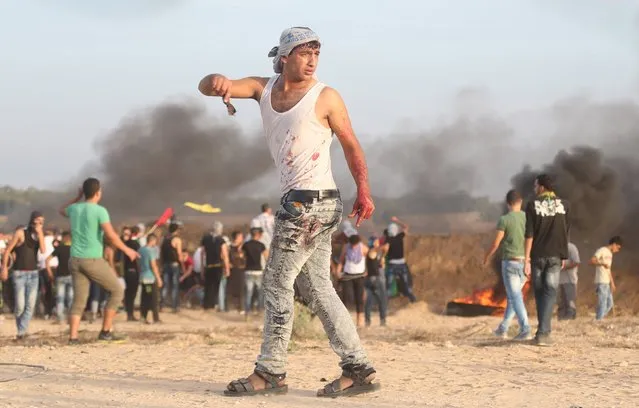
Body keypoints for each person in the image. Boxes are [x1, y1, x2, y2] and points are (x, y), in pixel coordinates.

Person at [199, 26, 378, 397]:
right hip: (304, 201)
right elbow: (213, 86)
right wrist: (214, 80)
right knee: (317, 287)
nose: (312, 60)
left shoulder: (325, 96)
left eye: (316, 53)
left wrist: (364, 189)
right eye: (303, 53)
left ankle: (270, 371)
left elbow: (351, 145)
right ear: (283, 57)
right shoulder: (264, 88)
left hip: (311, 202)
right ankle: (358, 369)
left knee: (278, 282)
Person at [59, 178, 139, 344]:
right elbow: (110, 235)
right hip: (92, 259)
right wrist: (127, 250)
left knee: (79, 299)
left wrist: (77, 197)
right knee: (117, 290)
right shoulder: (99, 211)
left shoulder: (74, 209)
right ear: (98, 193)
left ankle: (73, 337)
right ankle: (105, 331)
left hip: (75, 260)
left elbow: (61, 210)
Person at [524, 174, 570, 346]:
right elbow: (566, 231)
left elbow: (529, 234)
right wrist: (564, 255)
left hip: (537, 256)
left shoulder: (531, 205)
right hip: (556, 256)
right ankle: (544, 333)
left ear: (542, 187)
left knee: (540, 293)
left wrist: (526, 258)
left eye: (536, 186)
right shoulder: (565, 205)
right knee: (550, 293)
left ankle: (542, 333)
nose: (534, 189)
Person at [483, 190, 531, 340]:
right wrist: (529, 260)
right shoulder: (528, 218)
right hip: (524, 262)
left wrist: (486, 257)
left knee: (515, 296)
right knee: (512, 297)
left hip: (510, 263)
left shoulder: (504, 220)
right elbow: (531, 239)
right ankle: (502, 329)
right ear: (521, 202)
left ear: (507, 203)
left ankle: (525, 329)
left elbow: (496, 243)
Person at [1, 211, 46, 340]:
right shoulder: (21, 233)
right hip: (19, 274)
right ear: (32, 220)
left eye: (42, 221)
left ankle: (21, 332)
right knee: (20, 305)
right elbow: (8, 250)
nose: (40, 223)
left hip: (33, 274)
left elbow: (43, 250)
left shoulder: (39, 235)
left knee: (30, 305)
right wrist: (4, 268)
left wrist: (40, 232)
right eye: (38, 220)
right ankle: (21, 330)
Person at [335, 233, 368, 328]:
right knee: (346, 297)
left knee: (359, 298)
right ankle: (344, 320)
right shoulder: (346, 247)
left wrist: (367, 271)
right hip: (347, 276)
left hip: (359, 276)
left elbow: (369, 259)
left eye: (355, 244)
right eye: (352, 244)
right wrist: (338, 271)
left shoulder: (363, 248)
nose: (353, 246)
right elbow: (341, 260)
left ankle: (360, 320)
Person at [383, 216, 417, 302]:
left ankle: (384, 305)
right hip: (402, 264)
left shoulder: (388, 239)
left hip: (392, 265)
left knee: (389, 287)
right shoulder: (399, 236)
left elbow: (385, 249)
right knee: (406, 285)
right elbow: (406, 227)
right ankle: (413, 301)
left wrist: (382, 257)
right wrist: (397, 220)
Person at [589, 236, 622, 321]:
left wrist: (612, 283)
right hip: (601, 280)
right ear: (614, 244)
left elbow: (609, 269)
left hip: (607, 282)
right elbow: (592, 261)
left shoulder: (610, 254)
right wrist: (602, 263)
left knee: (609, 304)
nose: (618, 250)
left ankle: (598, 318)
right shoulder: (602, 250)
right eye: (618, 248)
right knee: (602, 302)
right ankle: (599, 319)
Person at [200, 221, 229, 311]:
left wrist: (202, 267)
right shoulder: (221, 240)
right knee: (217, 286)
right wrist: (227, 268)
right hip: (218, 265)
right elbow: (224, 255)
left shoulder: (206, 238)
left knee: (208, 286)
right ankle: (217, 304)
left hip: (208, 265)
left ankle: (207, 305)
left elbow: (202, 253)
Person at [45, 231, 73, 323]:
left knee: (60, 298)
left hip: (60, 276)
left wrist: (49, 273)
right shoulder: (74, 249)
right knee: (71, 298)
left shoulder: (59, 248)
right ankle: (71, 318)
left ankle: (60, 318)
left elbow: (47, 260)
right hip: (71, 276)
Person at [242, 227, 267, 317]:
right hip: (258, 271)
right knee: (260, 292)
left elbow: (243, 257)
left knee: (248, 293)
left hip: (248, 271)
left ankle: (247, 312)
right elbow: (266, 257)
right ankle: (260, 311)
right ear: (258, 235)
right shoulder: (261, 245)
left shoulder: (246, 245)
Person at [138, 233, 163, 324]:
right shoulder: (151, 251)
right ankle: (155, 318)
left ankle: (143, 317)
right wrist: (159, 278)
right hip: (151, 278)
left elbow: (138, 264)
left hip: (143, 278)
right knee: (154, 298)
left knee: (145, 297)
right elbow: (153, 265)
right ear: (152, 240)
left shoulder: (140, 250)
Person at [160, 223, 184, 313]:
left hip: (165, 264)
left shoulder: (164, 239)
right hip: (174, 264)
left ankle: (162, 305)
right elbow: (179, 254)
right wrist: (182, 265)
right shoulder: (177, 239)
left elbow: (161, 252)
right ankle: (175, 306)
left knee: (165, 285)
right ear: (176, 230)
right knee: (174, 286)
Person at [364, 236, 387, 327]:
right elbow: (379, 249)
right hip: (373, 280)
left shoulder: (376, 254)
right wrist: (384, 247)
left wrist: (382, 261)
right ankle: (369, 321)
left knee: (380, 301)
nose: (378, 243)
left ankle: (382, 320)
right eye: (377, 242)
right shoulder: (371, 252)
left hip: (374, 278)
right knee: (373, 301)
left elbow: (381, 266)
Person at [558, 242, 580, 320]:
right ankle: (561, 318)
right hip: (558, 280)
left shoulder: (571, 247)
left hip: (569, 279)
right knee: (561, 302)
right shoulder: (555, 247)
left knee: (569, 301)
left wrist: (564, 267)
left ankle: (569, 318)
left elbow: (576, 262)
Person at [123, 225, 142, 321]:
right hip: (134, 271)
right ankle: (130, 314)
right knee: (132, 294)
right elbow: (139, 258)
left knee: (128, 294)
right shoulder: (136, 244)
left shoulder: (126, 243)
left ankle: (129, 313)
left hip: (126, 271)